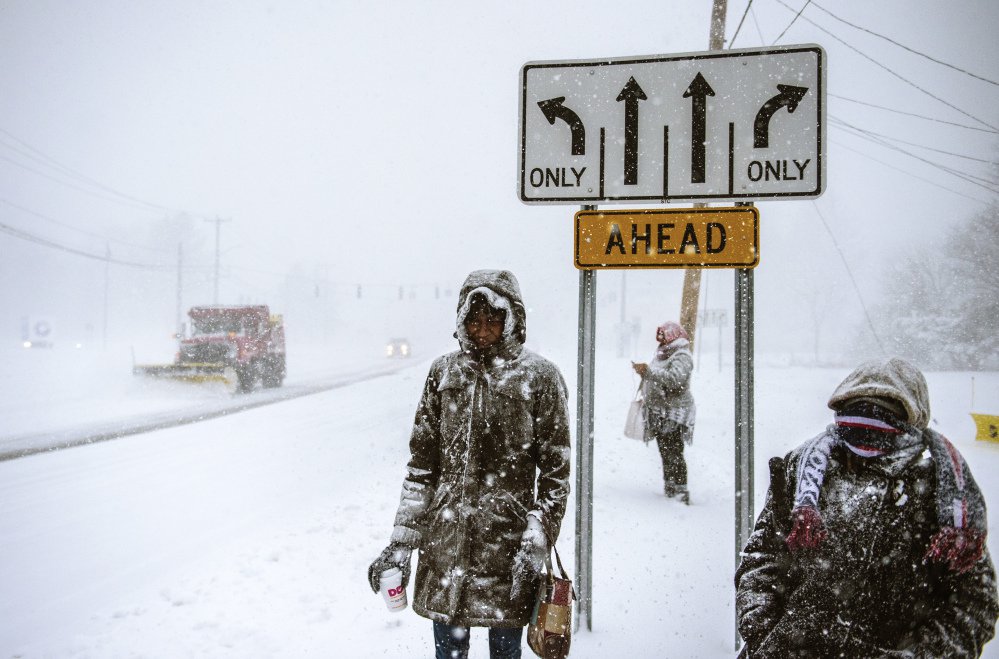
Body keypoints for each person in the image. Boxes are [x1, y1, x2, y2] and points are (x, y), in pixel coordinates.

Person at [367, 269, 571, 659]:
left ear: (512, 320)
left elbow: (556, 472)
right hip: (447, 545)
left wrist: (539, 534)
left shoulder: (540, 378)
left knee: (505, 652)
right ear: (461, 321)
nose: (482, 330)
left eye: (492, 320)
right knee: (449, 653)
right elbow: (421, 466)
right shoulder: (443, 373)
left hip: (508, 548)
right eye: (474, 321)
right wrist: (401, 542)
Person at [735, 357, 999, 658]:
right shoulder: (805, 469)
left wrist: (921, 654)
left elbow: (974, 602)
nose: (863, 439)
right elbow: (763, 557)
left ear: (912, 422)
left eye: (881, 423)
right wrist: (765, 631)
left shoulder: (946, 497)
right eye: (854, 420)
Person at [631, 321, 696, 503]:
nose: (661, 343)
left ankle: (680, 490)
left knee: (674, 450)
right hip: (660, 411)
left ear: (673, 336)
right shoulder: (663, 354)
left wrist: (648, 373)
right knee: (665, 450)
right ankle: (670, 486)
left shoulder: (682, 356)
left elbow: (676, 380)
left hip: (674, 413)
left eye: (664, 338)